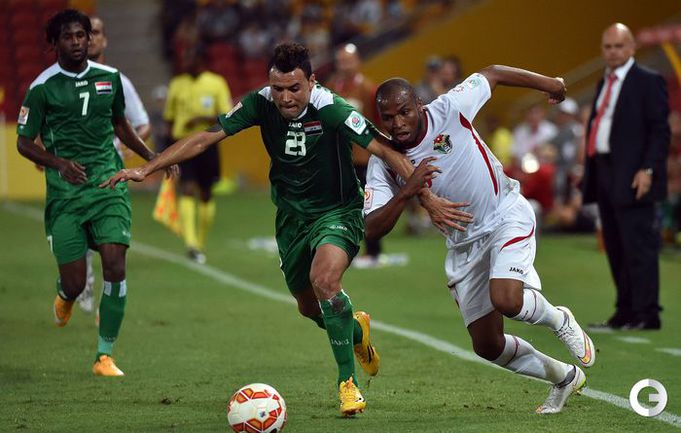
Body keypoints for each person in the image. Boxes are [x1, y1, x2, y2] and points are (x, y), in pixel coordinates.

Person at [101, 42, 471, 416]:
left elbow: (387, 150)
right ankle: (356, 331)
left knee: (325, 280)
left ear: (311, 81)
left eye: (294, 88)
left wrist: (427, 200)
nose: (285, 97)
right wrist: (147, 168)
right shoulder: (260, 103)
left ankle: (348, 385)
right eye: (278, 88)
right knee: (309, 307)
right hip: (291, 219)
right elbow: (207, 136)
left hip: (337, 211)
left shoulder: (331, 107)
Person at [364, 66, 596, 414]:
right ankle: (564, 377)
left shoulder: (450, 108)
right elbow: (371, 227)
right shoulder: (384, 162)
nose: (398, 123)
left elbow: (493, 73)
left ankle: (558, 319)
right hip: (463, 246)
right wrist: (407, 191)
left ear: (419, 105)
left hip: (505, 215)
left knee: (507, 298)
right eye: (388, 117)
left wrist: (551, 84)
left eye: (404, 112)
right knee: (487, 345)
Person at [16, 9, 175, 376]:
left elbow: (121, 124)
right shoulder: (42, 88)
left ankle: (104, 355)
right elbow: (23, 142)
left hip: (108, 183)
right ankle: (66, 294)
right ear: (54, 43)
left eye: (81, 35)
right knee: (75, 283)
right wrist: (58, 163)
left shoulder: (110, 78)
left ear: (89, 39)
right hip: (66, 193)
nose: (76, 42)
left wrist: (154, 158)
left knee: (115, 264)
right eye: (68, 36)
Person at [581, 23, 670, 330]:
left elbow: (660, 131)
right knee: (616, 245)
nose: (612, 52)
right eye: (607, 47)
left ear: (632, 48)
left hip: (634, 175)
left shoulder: (648, 81)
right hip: (605, 172)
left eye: (618, 46)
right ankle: (625, 310)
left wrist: (648, 169)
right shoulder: (603, 83)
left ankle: (647, 313)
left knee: (639, 246)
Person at [74, 15, 153, 315]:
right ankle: (81, 280)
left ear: (105, 39)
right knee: (76, 229)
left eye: (95, 32)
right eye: (85, 33)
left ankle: (106, 302)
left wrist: (130, 147)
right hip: (72, 170)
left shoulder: (119, 80)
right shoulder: (62, 81)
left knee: (110, 237)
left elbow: (142, 124)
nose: (91, 38)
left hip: (108, 169)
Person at [164, 46, 232, 264]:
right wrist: (168, 148)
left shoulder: (216, 83)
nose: (185, 63)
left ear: (201, 61)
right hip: (183, 144)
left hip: (208, 143)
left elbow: (226, 114)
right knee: (186, 188)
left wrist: (202, 118)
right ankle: (191, 244)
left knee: (206, 193)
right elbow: (169, 118)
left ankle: (200, 243)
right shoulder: (177, 83)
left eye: (189, 59)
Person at [325, 43, 383, 267]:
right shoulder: (331, 86)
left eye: (348, 61)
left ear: (358, 62)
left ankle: (373, 251)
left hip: (362, 159)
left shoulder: (368, 89)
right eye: (341, 61)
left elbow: (378, 124)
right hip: (337, 157)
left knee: (367, 205)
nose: (344, 65)